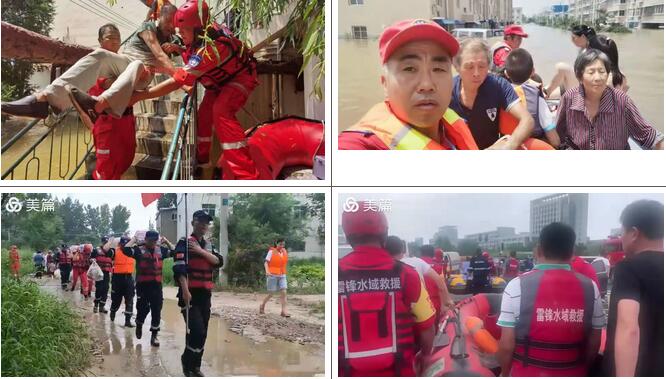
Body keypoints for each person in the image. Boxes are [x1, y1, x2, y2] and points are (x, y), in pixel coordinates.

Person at [129, 0, 261, 179]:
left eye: (183, 30)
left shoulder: (211, 50)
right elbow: (189, 53)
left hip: (240, 79)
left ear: (198, 28)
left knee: (221, 110)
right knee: (204, 114)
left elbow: (179, 79)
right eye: (178, 30)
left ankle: (246, 174)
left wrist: (141, 96)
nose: (179, 33)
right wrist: (179, 48)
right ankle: (203, 161)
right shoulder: (201, 36)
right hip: (217, 83)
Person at [1, 5, 179, 131]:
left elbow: (170, 57)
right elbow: (158, 56)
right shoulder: (147, 28)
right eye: (111, 39)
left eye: (118, 39)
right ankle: (45, 99)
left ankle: (96, 105)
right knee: (102, 56)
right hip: (105, 121)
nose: (172, 26)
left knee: (137, 64)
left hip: (131, 93)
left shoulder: (171, 38)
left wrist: (177, 63)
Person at [338, 19, 479, 150]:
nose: (427, 84)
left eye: (438, 69)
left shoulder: (451, 124)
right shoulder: (362, 144)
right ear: (385, 84)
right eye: (409, 69)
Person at [339, 203, 436, 376]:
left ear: (347, 237)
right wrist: (427, 356)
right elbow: (427, 326)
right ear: (385, 234)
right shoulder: (407, 274)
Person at [496, 222, 605, 376]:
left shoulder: (516, 285)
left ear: (539, 250)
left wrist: (505, 373)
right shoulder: (590, 287)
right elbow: (594, 342)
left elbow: (507, 345)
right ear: (572, 252)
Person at [555, 49, 664, 150]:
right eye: (591, 72)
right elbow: (559, 133)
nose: (597, 78)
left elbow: (648, 136)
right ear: (580, 77)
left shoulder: (622, 101)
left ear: (607, 75)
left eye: (602, 72)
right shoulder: (569, 98)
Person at [602, 200, 664, 377]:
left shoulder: (629, 268)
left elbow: (629, 329)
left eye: (623, 232)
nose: (621, 238)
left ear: (634, 233)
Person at [449, 38, 534, 150]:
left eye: (482, 66)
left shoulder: (498, 85)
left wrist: (508, 146)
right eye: (469, 67)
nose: (476, 73)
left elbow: (527, 120)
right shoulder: (447, 91)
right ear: (457, 67)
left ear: (489, 66)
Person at [173, 210, 224, 376]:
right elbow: (179, 268)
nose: (204, 225)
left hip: (205, 295)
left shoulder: (209, 245)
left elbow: (218, 262)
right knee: (197, 330)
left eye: (206, 223)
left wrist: (201, 251)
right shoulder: (184, 243)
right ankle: (187, 363)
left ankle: (195, 365)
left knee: (203, 332)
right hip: (190, 294)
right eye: (200, 222)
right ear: (193, 223)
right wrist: (185, 291)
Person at [86, 24, 137, 180]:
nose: (115, 41)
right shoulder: (96, 64)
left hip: (126, 121)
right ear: (100, 41)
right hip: (108, 124)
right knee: (107, 171)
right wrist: (92, 127)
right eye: (110, 38)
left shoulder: (123, 64)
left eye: (117, 38)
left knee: (125, 160)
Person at [124, 231, 175, 347]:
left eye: (155, 240)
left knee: (157, 310)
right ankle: (139, 323)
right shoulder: (138, 250)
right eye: (150, 240)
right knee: (143, 309)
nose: (152, 243)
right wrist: (134, 239)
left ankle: (154, 335)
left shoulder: (160, 250)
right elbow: (125, 250)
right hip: (143, 286)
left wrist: (166, 241)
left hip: (156, 286)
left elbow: (174, 252)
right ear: (146, 239)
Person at [501, 48, 560, 148]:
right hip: (531, 146)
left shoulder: (500, 92)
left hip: (507, 142)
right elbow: (554, 140)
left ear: (506, 73)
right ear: (532, 71)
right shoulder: (537, 97)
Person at [400, 243, 455, 322]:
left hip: (417, 302)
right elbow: (441, 285)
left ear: (421, 253)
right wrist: (445, 303)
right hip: (434, 301)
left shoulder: (410, 263)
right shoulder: (438, 266)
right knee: (433, 329)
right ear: (433, 254)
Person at [544, 25, 596, 98]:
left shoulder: (591, 52)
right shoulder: (583, 50)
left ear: (583, 37)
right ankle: (547, 91)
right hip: (579, 84)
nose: (571, 40)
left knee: (561, 67)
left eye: (573, 38)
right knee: (551, 89)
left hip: (585, 88)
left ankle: (547, 92)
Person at [102, 236, 136, 327]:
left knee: (130, 300)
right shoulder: (115, 251)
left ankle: (127, 321)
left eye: (126, 244)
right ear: (119, 244)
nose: (123, 246)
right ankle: (113, 311)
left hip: (129, 278)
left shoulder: (133, 252)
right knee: (116, 300)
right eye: (122, 244)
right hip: (117, 279)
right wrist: (110, 241)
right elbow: (105, 249)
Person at [260, 238, 290, 317]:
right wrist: (267, 271)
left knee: (284, 292)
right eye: (280, 244)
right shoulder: (271, 251)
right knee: (271, 294)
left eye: (283, 244)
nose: (282, 246)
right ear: (276, 243)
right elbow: (266, 263)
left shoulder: (284, 251)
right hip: (272, 274)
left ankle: (283, 311)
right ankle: (262, 305)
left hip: (282, 274)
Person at [92, 237, 113, 313]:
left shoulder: (111, 251)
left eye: (107, 242)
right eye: (104, 242)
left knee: (106, 289)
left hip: (107, 273)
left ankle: (102, 306)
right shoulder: (96, 250)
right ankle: (96, 305)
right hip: (98, 272)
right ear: (102, 242)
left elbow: (112, 258)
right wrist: (92, 260)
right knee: (99, 289)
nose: (105, 243)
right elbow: (91, 258)